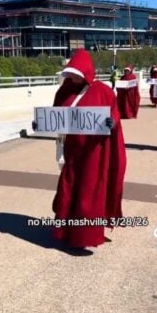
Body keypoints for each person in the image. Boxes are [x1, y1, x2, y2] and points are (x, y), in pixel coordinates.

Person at [42, 50, 126, 250]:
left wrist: (111, 122)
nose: (72, 77)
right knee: (68, 189)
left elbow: (114, 116)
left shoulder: (103, 91)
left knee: (89, 192)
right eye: (70, 74)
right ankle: (67, 231)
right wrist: (43, 121)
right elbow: (57, 115)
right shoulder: (64, 91)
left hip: (94, 153)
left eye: (76, 74)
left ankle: (86, 235)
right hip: (71, 150)